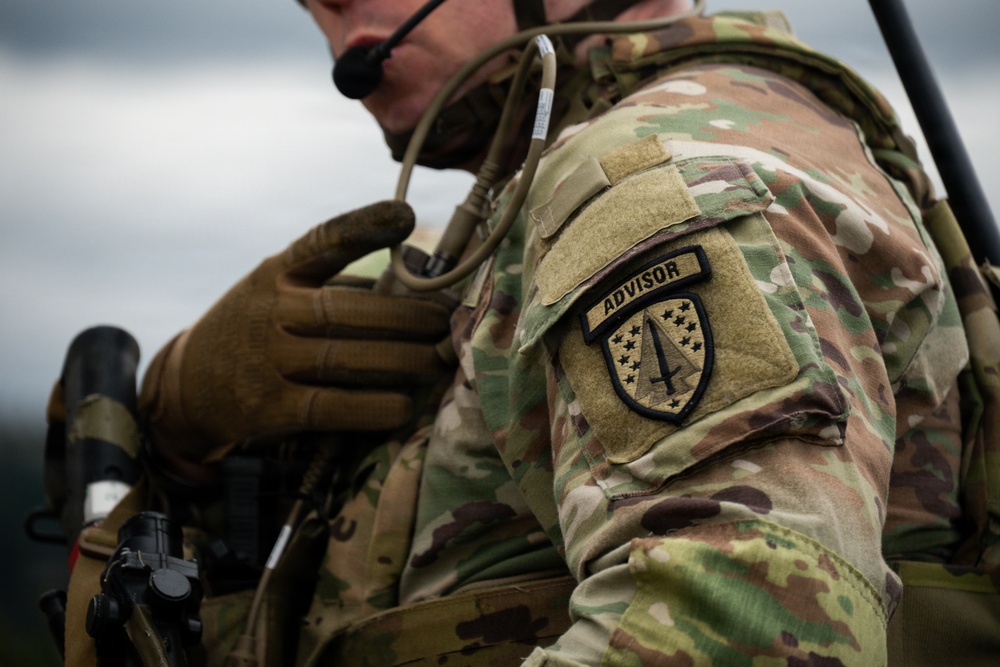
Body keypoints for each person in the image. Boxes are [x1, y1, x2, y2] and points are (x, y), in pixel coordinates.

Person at [60, 0, 1000, 665]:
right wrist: (180, 421)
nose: (327, 6)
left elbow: (746, 625)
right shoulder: (553, 209)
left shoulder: (649, 181)